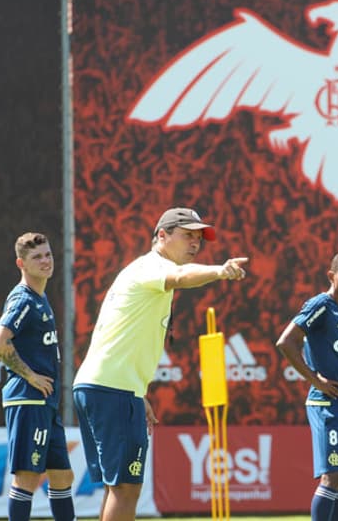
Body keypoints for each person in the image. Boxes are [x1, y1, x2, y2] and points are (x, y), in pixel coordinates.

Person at [73, 207, 247, 521]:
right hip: (110, 390)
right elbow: (180, 278)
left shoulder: (144, 270)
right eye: (187, 235)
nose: (195, 244)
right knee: (126, 489)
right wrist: (220, 271)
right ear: (162, 236)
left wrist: (138, 394)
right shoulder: (152, 267)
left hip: (108, 388)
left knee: (119, 488)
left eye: (198, 238)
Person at [0, 232, 75, 521]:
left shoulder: (40, 297)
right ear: (21, 263)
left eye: (48, 254)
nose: (45, 261)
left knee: (62, 475)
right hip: (28, 400)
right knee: (27, 477)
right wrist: (30, 376)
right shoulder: (23, 299)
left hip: (45, 403)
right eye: (37, 257)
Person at [275, 251, 338, 521]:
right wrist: (316, 380)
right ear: (331, 276)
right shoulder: (321, 305)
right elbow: (286, 342)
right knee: (333, 475)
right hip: (328, 405)